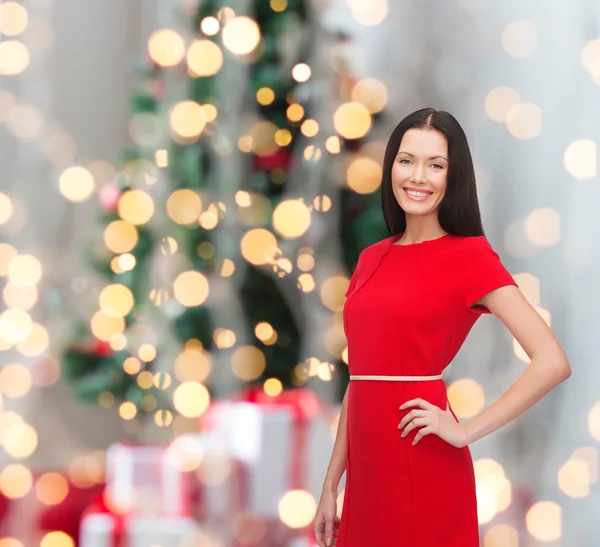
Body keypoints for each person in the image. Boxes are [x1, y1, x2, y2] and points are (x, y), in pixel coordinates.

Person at [312, 107, 571, 546]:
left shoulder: (469, 257)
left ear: (454, 177)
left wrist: (466, 429)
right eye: (407, 160)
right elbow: (361, 379)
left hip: (423, 460)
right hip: (368, 473)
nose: (418, 177)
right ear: (391, 165)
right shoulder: (371, 258)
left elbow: (552, 362)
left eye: (436, 165)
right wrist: (330, 484)